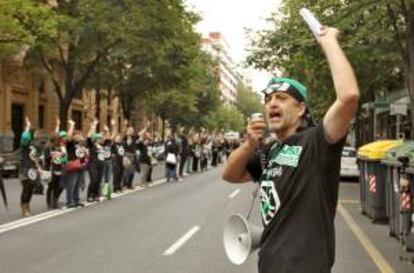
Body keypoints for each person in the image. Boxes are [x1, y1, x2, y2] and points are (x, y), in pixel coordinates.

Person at [222, 25, 359, 273]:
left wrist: (329, 42)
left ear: (301, 109)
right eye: (268, 99)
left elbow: (349, 96)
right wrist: (249, 145)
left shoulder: (318, 142)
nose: (272, 103)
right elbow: (230, 174)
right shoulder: (269, 152)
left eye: (282, 98)